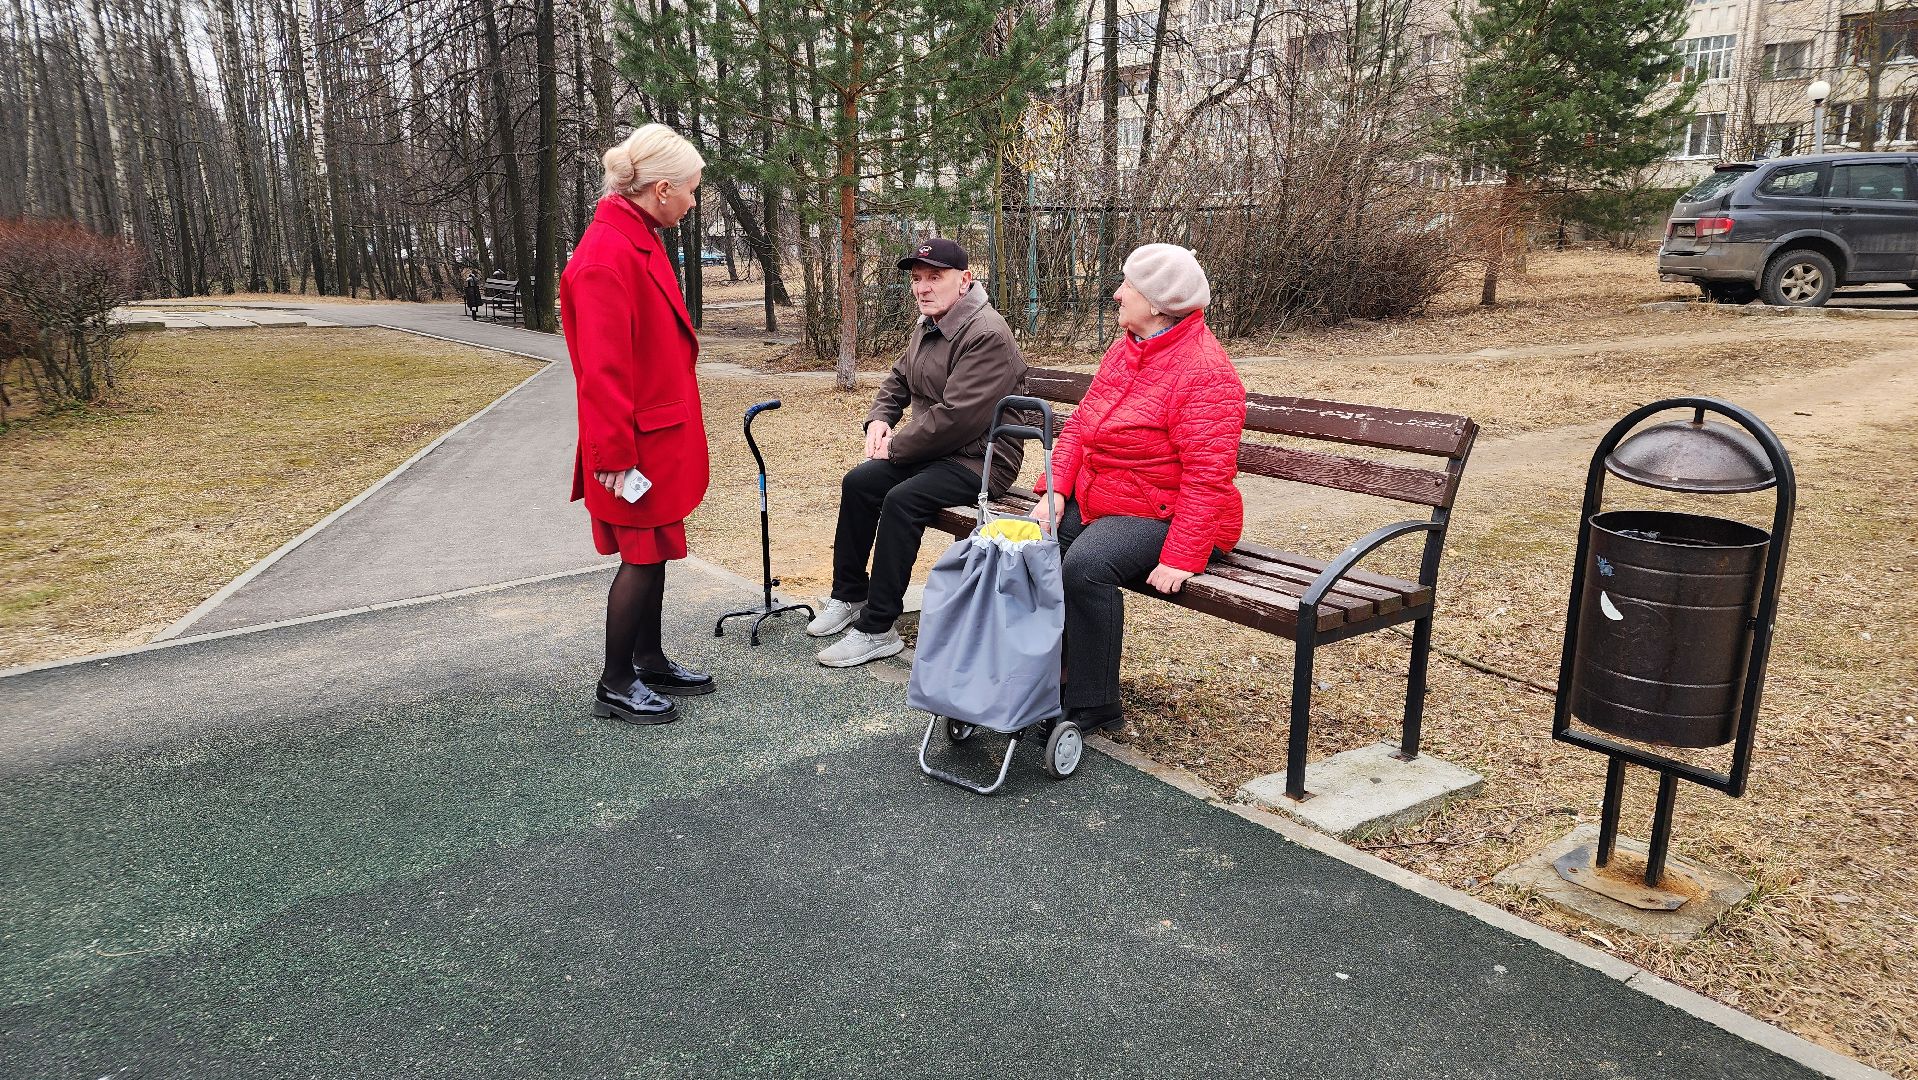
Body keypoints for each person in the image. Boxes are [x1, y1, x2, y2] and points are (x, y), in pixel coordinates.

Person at [1034, 244, 1246, 731]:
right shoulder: (1127, 348)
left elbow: (1207, 475)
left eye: (1127, 286)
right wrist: (1055, 491)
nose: (1117, 294)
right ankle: (1054, 675)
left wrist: (1182, 556)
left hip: (1168, 515)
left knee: (1086, 567)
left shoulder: (1205, 372)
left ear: (1156, 303)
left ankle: (1095, 702)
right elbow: (1082, 425)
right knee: (1040, 546)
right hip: (1107, 498)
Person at [808, 238, 1028, 667]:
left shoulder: (986, 335)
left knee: (902, 499)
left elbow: (957, 417)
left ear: (964, 281)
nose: (923, 288)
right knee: (859, 482)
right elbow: (898, 379)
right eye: (917, 279)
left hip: (980, 460)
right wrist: (879, 419)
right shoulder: (930, 323)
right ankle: (850, 594)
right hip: (934, 451)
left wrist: (894, 447)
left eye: (935, 277)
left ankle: (878, 629)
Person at [560, 124, 712, 725]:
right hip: (632, 446)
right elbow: (600, 373)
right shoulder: (606, 256)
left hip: (656, 436)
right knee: (642, 557)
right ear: (663, 188)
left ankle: (647, 657)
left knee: (658, 550)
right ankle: (616, 680)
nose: (694, 202)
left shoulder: (637, 237)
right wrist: (616, 458)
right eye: (692, 190)